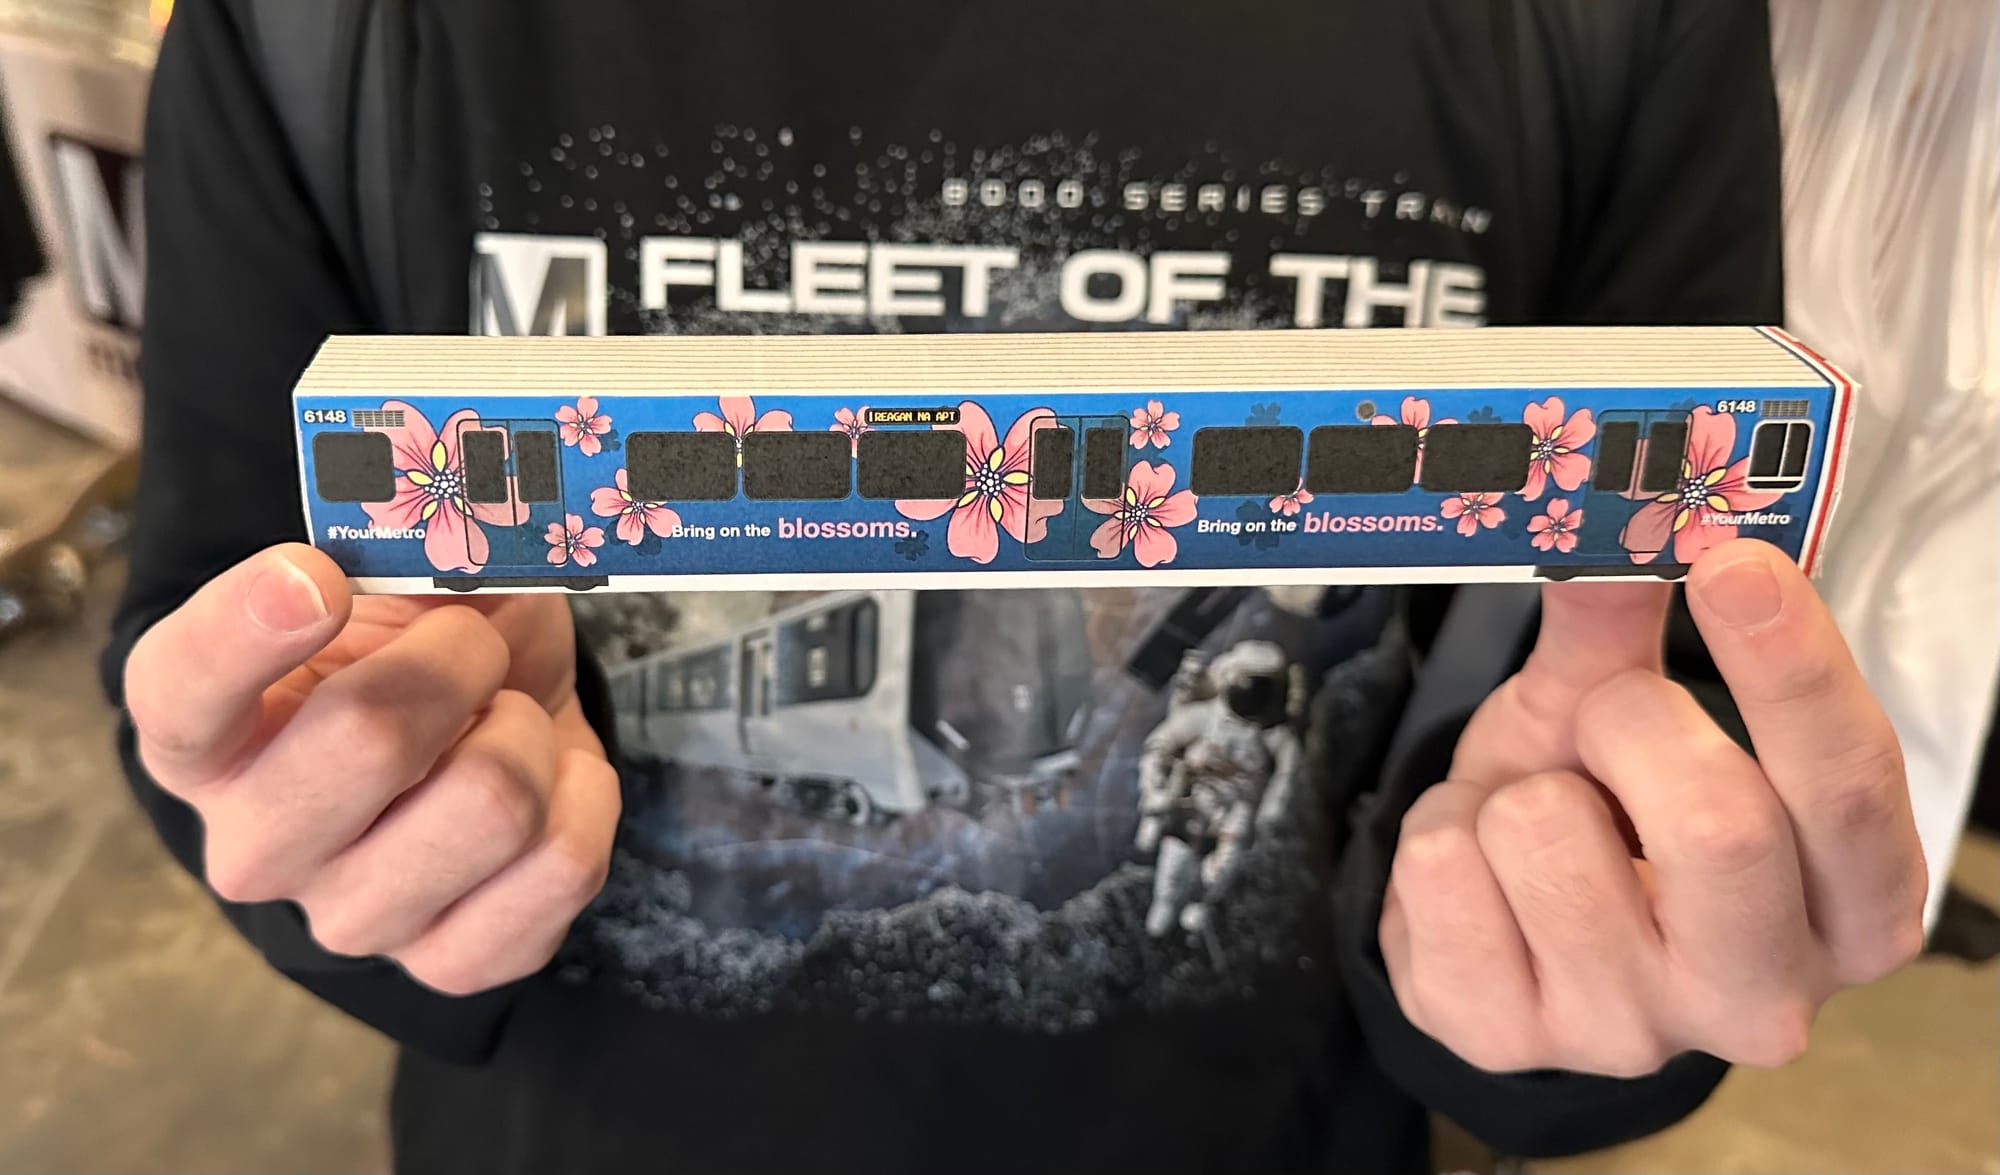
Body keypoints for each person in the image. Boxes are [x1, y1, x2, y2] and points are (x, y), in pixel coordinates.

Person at [102, 2, 1928, 1172]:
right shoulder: (311, 28)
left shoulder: (1616, 23)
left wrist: (1594, 995)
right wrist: (346, 840)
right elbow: (220, 641)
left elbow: (1625, 723)